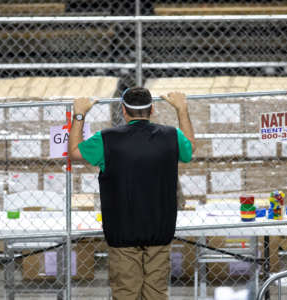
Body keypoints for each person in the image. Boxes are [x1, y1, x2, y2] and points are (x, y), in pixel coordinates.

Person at [69, 87, 195, 300]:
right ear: (152, 109)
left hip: (122, 231)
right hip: (159, 229)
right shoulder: (171, 136)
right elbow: (190, 149)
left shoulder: (106, 139)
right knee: (156, 293)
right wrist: (182, 109)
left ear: (124, 111)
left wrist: (80, 113)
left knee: (126, 292)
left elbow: (74, 152)